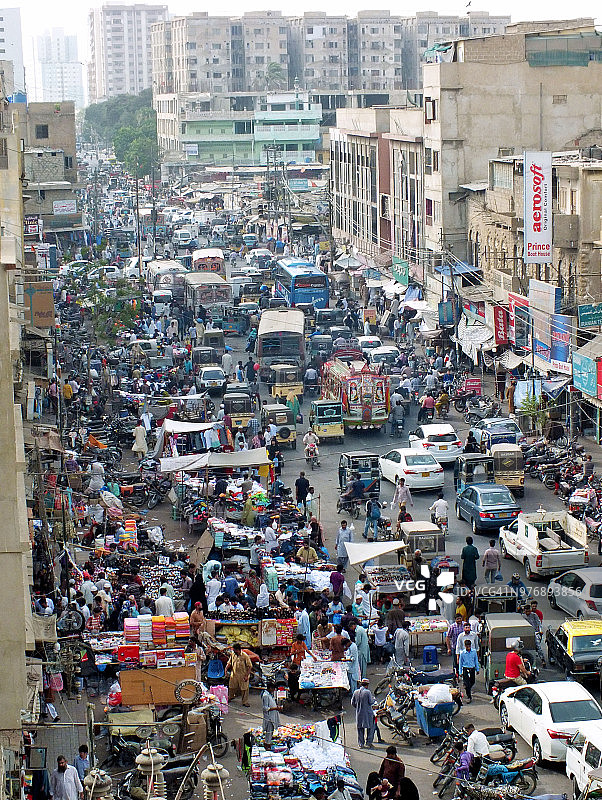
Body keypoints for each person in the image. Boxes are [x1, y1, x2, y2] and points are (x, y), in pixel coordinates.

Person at [351, 678, 376, 748]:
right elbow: (371, 702)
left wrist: (358, 707)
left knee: (360, 729)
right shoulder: (367, 692)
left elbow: (352, 703)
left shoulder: (355, 692)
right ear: (367, 685)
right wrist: (373, 699)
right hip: (368, 713)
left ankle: (361, 744)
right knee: (371, 728)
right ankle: (368, 742)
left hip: (359, 713)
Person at [458, 639, 479, 703]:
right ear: (465, 646)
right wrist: (460, 672)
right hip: (465, 669)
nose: (468, 647)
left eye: (469, 646)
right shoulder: (462, 653)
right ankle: (469, 696)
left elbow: (476, 660)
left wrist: (477, 669)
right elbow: (460, 663)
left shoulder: (474, 652)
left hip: (472, 668)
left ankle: (467, 688)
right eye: (467, 646)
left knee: (472, 682)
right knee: (467, 684)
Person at [262, 681, 281, 748]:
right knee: (269, 731)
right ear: (270, 688)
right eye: (273, 689)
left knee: (271, 730)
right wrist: (275, 708)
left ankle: (268, 742)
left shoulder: (270, 695)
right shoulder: (265, 696)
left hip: (273, 715)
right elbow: (265, 708)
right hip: (269, 716)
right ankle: (267, 743)